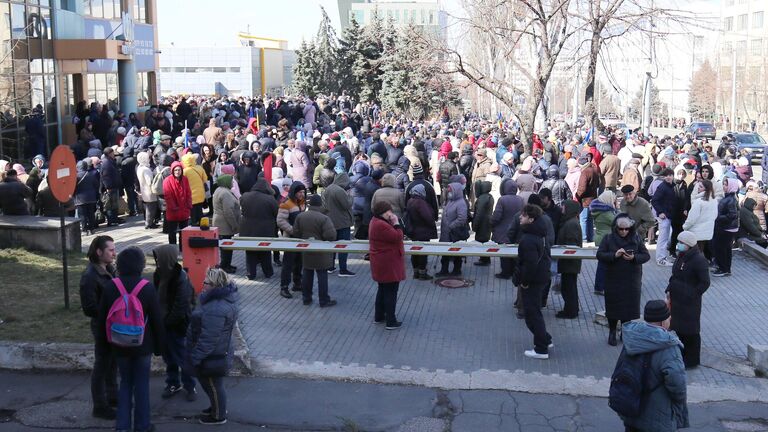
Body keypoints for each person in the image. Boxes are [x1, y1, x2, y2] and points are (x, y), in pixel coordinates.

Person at [97, 247, 165, 432]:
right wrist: (160, 348)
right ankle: (143, 426)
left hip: (119, 345)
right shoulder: (147, 287)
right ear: (140, 265)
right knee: (141, 384)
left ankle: (122, 426)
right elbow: (157, 320)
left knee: (125, 383)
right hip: (143, 345)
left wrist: (103, 347)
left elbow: (103, 319)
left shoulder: (111, 286)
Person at [619, 300, 689, 432]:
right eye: (669, 317)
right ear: (663, 322)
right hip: (657, 416)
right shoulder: (669, 347)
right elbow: (677, 384)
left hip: (631, 406)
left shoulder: (632, 338)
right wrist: (679, 403)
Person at [186, 268, 238, 425]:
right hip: (218, 351)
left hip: (212, 354)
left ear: (215, 286)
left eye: (206, 283)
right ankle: (217, 407)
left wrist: (196, 356)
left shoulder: (216, 308)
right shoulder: (217, 302)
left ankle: (218, 416)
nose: (203, 285)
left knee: (213, 384)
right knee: (211, 383)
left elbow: (209, 338)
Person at [79, 236, 118, 419]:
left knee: (112, 363)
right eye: (110, 250)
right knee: (102, 364)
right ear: (99, 252)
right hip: (102, 326)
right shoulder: (90, 277)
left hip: (114, 325)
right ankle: (100, 405)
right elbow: (89, 308)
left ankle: (113, 397)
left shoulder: (110, 269)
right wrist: (109, 311)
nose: (114, 253)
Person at [597, 214, 650, 346]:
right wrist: (614, 255)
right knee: (613, 307)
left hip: (631, 279)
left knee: (628, 308)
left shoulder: (636, 238)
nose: (624, 232)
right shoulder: (608, 239)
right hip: (613, 278)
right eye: (621, 229)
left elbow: (646, 255)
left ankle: (625, 332)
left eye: (626, 229)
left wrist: (634, 258)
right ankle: (612, 332)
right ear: (616, 228)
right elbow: (600, 254)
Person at [152, 244, 196, 400]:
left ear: (166, 259)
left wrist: (167, 322)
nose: (156, 261)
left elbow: (181, 305)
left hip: (178, 325)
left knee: (182, 356)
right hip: (164, 323)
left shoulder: (180, 277)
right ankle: (173, 383)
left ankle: (190, 386)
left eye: (158, 258)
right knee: (169, 357)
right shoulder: (159, 274)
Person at [665, 231, 710, 369]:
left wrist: (692, 294)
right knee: (679, 328)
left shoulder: (698, 260)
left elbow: (705, 282)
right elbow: (675, 275)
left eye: (681, 243)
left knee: (691, 331)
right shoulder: (682, 256)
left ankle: (692, 360)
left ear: (689, 245)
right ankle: (682, 355)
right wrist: (669, 289)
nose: (678, 245)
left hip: (689, 302)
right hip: (677, 299)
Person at [517, 204, 553, 359]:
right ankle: (546, 339)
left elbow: (529, 264)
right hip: (541, 277)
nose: (520, 217)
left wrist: (524, 281)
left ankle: (541, 349)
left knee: (532, 315)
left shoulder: (529, 239)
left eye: (523, 215)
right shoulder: (539, 234)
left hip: (533, 281)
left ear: (531, 219)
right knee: (534, 312)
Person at [294, 194, 337, 307]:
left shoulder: (301, 216)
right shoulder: (324, 218)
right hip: (321, 251)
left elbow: (296, 233)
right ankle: (323, 300)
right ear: (320, 204)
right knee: (322, 275)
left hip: (307, 250)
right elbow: (330, 235)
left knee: (307, 273)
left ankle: (306, 298)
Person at [369, 201, 406, 330]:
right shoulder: (381, 225)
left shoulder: (375, 221)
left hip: (381, 262)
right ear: (384, 212)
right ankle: (391, 321)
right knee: (391, 292)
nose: (391, 214)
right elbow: (397, 236)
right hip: (388, 263)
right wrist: (396, 223)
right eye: (389, 211)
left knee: (382, 290)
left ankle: (379, 316)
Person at [240, 178, 279, 280]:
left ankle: (250, 274)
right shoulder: (270, 199)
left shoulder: (245, 196)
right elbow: (276, 213)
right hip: (265, 231)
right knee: (265, 252)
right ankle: (268, 273)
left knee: (250, 252)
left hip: (247, 230)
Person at [321, 170, 356, 277]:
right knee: (343, 246)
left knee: (332, 246)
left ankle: (330, 266)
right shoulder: (339, 191)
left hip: (330, 221)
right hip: (342, 222)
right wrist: (351, 196)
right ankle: (343, 269)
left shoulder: (328, 189)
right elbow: (347, 205)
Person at [277, 182, 307, 298]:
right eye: (299, 192)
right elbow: (280, 221)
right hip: (290, 238)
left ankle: (297, 283)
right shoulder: (286, 204)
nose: (302, 194)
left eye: (303, 192)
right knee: (288, 264)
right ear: (294, 192)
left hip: (300, 239)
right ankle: (284, 287)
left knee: (299, 262)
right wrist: (292, 230)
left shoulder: (302, 202)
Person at [491, 178, 523, 279]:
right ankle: (513, 271)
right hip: (517, 230)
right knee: (513, 251)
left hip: (503, 230)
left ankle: (505, 272)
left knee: (504, 252)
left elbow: (497, 215)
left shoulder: (502, 199)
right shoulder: (520, 199)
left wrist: (492, 223)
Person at [404, 183, 437, 279]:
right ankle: (422, 273)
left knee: (415, 252)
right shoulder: (420, 202)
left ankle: (416, 272)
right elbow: (428, 217)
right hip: (422, 231)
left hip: (414, 231)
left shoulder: (410, 200)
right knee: (423, 253)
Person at [556, 200, 583, 319]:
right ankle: (570, 309)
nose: (562, 208)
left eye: (564, 206)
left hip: (570, 262)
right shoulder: (569, 222)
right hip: (569, 261)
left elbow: (571, 245)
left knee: (569, 287)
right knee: (568, 286)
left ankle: (571, 311)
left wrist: (563, 253)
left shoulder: (571, 224)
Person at [436, 182, 469, 277]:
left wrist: (451, 225)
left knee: (456, 252)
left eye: (450, 191)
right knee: (445, 252)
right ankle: (444, 269)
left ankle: (457, 270)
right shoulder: (450, 201)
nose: (449, 192)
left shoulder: (461, 203)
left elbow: (462, 218)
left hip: (454, 233)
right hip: (446, 233)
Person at [590, 190, 618, 295]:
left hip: (601, 238)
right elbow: (617, 221)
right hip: (605, 240)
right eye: (613, 199)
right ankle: (600, 287)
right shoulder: (606, 212)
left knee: (603, 264)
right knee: (604, 265)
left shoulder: (600, 209)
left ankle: (600, 286)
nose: (614, 201)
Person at [683, 179, 717, 262]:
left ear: (706, 189)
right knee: (700, 252)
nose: (698, 188)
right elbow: (715, 216)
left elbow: (692, 218)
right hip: (707, 232)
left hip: (696, 233)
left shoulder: (699, 202)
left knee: (693, 255)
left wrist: (685, 227)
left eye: (700, 187)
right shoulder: (714, 201)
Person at [212, 174, 240, 274]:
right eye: (231, 181)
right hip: (224, 224)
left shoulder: (219, 190)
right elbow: (228, 212)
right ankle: (225, 266)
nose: (232, 182)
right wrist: (234, 225)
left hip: (219, 222)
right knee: (226, 246)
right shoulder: (225, 193)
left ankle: (226, 264)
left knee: (225, 246)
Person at [712, 177, 740, 277]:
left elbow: (732, 215)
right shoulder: (728, 197)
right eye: (723, 184)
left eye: (726, 184)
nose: (724, 186)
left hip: (726, 228)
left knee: (722, 249)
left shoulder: (731, 199)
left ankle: (723, 268)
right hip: (725, 227)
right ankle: (724, 268)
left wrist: (718, 217)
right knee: (725, 249)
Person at [163, 161, 192, 247]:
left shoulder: (185, 179)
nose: (177, 172)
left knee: (183, 232)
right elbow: (167, 196)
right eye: (175, 170)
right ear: (172, 171)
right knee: (172, 232)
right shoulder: (167, 181)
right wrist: (173, 207)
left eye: (179, 170)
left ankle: (182, 248)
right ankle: (172, 248)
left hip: (184, 210)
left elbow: (188, 193)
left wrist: (189, 204)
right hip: (173, 211)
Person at [651, 168, 676, 266]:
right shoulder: (662, 187)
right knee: (663, 238)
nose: (669, 177)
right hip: (664, 216)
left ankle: (662, 257)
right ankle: (661, 259)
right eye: (667, 175)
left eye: (670, 175)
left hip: (669, 215)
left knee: (666, 237)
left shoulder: (672, 186)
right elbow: (654, 200)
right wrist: (660, 212)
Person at [182, 153, 208, 226]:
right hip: (200, 194)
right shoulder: (200, 168)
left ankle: (194, 225)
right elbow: (205, 179)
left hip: (191, 195)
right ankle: (201, 224)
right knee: (200, 210)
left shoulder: (185, 171)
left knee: (193, 212)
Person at [471, 180, 494, 266]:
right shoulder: (489, 196)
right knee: (485, 240)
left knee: (482, 241)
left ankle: (484, 259)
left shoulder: (482, 199)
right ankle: (485, 258)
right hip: (487, 222)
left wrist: (475, 225)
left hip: (482, 224)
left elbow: (479, 213)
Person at [136, 151, 159, 229]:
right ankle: (149, 223)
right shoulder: (146, 169)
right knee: (151, 209)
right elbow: (150, 181)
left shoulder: (139, 168)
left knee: (147, 208)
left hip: (144, 190)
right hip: (149, 192)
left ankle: (149, 222)